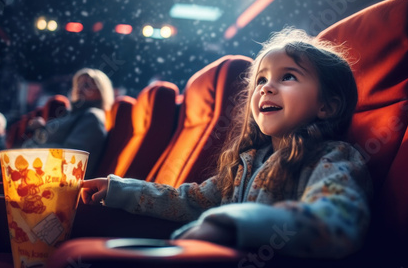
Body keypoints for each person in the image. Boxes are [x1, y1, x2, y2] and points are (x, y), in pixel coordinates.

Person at [81, 28, 373, 258]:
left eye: (288, 77)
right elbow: (189, 202)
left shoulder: (330, 157)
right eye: (260, 80)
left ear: (327, 106)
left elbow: (337, 222)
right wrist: (118, 189)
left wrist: (237, 224)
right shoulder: (248, 160)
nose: (267, 87)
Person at [25, 68, 114, 179]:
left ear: (101, 92)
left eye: (87, 85)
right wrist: (41, 129)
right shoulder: (74, 113)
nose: (80, 88)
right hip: (40, 171)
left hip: (54, 179)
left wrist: (28, 153)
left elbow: (71, 157)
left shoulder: (92, 117)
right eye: (78, 84)